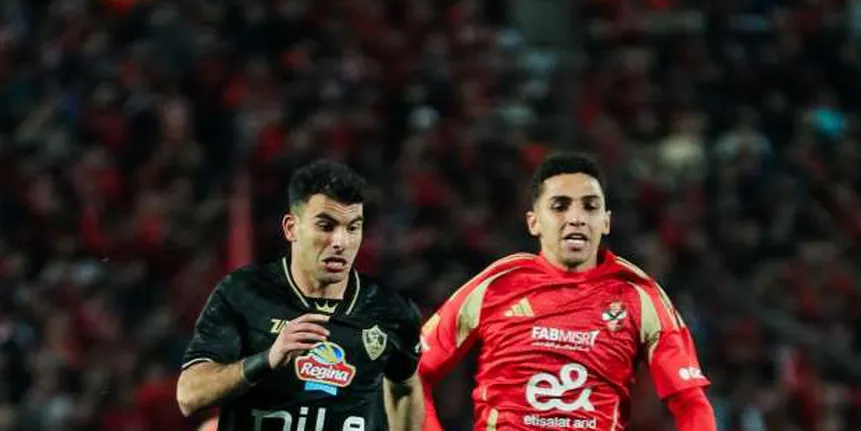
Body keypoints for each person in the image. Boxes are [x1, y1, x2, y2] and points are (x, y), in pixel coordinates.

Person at [419, 153, 716, 431]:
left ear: (606, 221)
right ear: (534, 222)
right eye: (560, 206)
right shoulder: (495, 285)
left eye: (590, 206)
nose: (576, 218)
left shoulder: (638, 294)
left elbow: (691, 403)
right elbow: (412, 371)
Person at [177, 160, 425, 431]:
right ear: (291, 228)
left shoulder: (390, 309)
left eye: (353, 228)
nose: (341, 242)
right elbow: (189, 396)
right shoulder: (244, 293)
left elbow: (405, 388)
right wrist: (268, 359)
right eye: (326, 226)